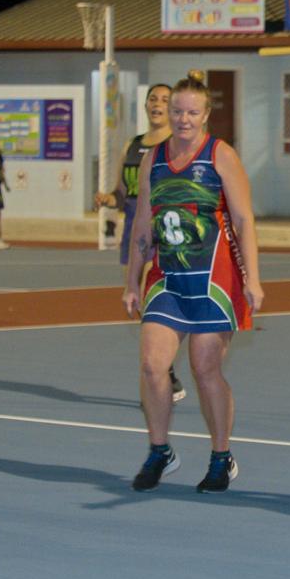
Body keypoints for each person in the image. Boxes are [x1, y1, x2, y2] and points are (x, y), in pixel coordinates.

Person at [123, 70, 264, 493]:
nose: (184, 119)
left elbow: (243, 219)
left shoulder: (220, 155)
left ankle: (221, 456)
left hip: (214, 280)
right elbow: (143, 226)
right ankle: (159, 450)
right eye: (177, 111)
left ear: (206, 115)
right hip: (168, 278)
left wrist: (253, 279)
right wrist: (132, 280)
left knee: (205, 369)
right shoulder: (155, 158)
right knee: (152, 365)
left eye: (192, 112)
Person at [95, 84, 185, 403]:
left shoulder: (177, 145)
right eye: (153, 99)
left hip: (163, 225)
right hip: (134, 224)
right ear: (146, 106)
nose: (157, 104)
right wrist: (108, 197)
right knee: (137, 296)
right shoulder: (133, 146)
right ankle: (164, 365)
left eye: (164, 100)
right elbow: (122, 192)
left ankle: (163, 367)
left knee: (154, 294)